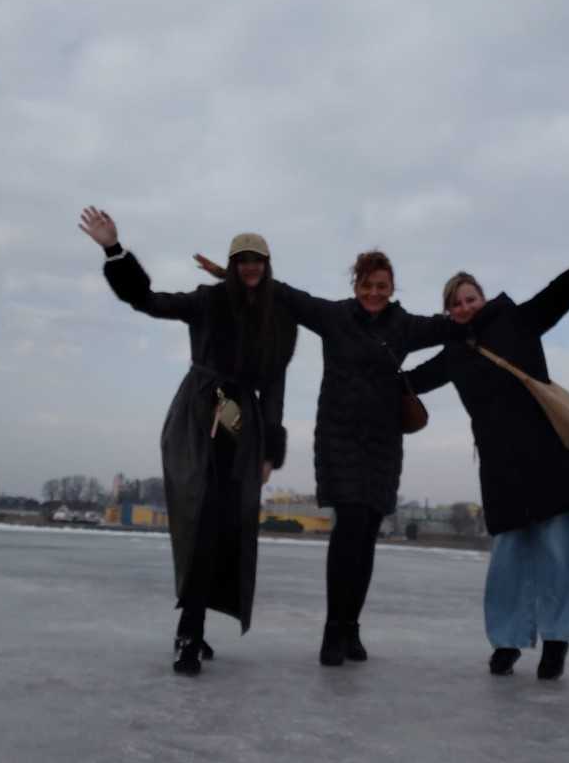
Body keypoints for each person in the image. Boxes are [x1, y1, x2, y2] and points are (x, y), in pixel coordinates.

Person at [195, 247, 493, 667]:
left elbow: (453, 325)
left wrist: (488, 313)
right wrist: (235, 278)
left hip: (383, 441)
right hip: (339, 437)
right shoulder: (334, 316)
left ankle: (351, 626)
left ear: (391, 288)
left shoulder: (405, 325)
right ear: (356, 286)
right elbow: (287, 296)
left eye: (382, 286)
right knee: (349, 525)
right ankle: (333, 630)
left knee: (367, 532)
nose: (374, 293)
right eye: (367, 285)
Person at [79, 207, 297, 675]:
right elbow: (147, 300)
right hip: (199, 417)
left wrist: (269, 450)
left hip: (242, 427)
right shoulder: (207, 301)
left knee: (226, 527)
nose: (250, 267)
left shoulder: (277, 319)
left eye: (257, 259)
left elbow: (275, 385)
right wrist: (114, 250)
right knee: (200, 520)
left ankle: (195, 623)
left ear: (267, 265)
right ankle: (189, 631)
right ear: (233, 265)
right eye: (242, 260)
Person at [406, 226, 569, 680]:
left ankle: (557, 641)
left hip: (550, 460)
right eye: (456, 303)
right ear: (448, 311)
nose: (465, 306)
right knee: (508, 564)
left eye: (470, 298)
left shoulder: (518, 321)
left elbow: (566, 289)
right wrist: (365, 369)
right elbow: (409, 383)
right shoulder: (453, 354)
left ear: (482, 298)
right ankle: (507, 642)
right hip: (501, 472)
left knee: (559, 556)